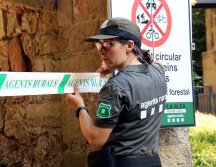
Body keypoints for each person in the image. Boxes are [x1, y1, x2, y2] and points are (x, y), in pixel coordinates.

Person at [65, 17, 167, 167]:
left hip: (123, 162)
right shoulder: (158, 71)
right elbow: (156, 62)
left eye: (108, 44)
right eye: (99, 45)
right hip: (152, 162)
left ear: (129, 45)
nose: (102, 50)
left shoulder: (116, 86)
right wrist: (118, 66)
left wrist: (79, 108)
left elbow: (96, 140)